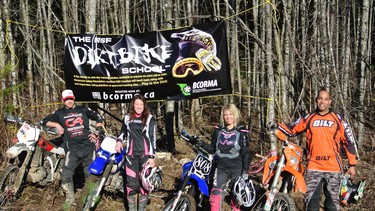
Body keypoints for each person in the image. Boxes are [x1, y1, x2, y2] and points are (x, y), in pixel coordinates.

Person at [273, 88, 358, 211]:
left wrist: (352, 164)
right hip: (313, 167)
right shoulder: (309, 118)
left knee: (332, 206)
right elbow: (292, 129)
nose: (322, 102)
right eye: (320, 98)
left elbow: (349, 142)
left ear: (330, 102)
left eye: (325, 99)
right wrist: (277, 126)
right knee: (311, 205)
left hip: (333, 169)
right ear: (316, 100)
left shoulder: (338, 119)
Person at [41, 89, 104, 206]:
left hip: (88, 147)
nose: (69, 101)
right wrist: (57, 125)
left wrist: (97, 132)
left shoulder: (83, 109)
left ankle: (91, 198)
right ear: (62, 100)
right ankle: (70, 199)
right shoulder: (59, 113)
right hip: (71, 149)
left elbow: (99, 118)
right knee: (66, 174)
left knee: (90, 173)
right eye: (66, 100)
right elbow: (44, 121)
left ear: (74, 98)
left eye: (70, 99)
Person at [195, 103, 251, 211]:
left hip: (237, 169)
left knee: (237, 198)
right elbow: (212, 149)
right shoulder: (218, 130)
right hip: (221, 168)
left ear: (235, 115)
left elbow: (246, 154)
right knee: (215, 195)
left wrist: (245, 172)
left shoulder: (241, 132)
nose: (228, 117)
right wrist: (200, 143)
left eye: (231, 114)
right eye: (226, 115)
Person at [115, 94, 157, 211]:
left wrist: (152, 157)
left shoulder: (149, 119)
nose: (139, 106)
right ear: (133, 105)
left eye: (141, 104)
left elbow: (152, 138)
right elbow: (122, 133)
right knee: (131, 186)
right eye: (137, 104)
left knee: (144, 185)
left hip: (146, 157)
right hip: (130, 157)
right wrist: (118, 141)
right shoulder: (127, 118)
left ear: (144, 106)